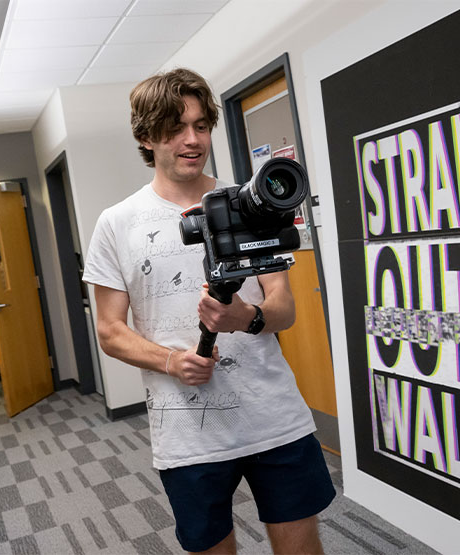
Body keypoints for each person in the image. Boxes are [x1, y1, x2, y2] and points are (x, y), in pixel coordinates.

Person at [82, 68, 335, 555]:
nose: (192, 140)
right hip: (188, 432)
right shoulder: (117, 224)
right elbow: (110, 331)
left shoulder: (252, 202)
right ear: (145, 136)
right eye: (175, 128)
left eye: (200, 126)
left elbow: (284, 308)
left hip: (273, 415)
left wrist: (249, 318)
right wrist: (171, 361)